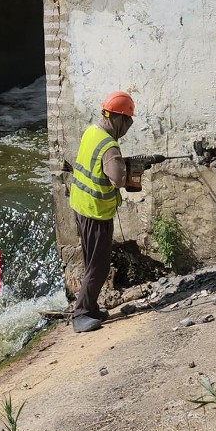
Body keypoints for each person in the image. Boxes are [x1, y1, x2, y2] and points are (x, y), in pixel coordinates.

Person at [69, 90, 134, 332]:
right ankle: (81, 314)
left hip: (81, 206)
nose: (128, 127)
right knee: (99, 266)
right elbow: (117, 179)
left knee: (90, 262)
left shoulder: (92, 132)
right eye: (127, 121)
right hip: (96, 212)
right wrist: (128, 172)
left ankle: (92, 308)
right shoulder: (110, 145)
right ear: (117, 118)